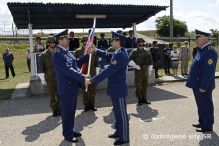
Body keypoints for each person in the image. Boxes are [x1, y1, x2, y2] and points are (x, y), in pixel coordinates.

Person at [85, 31, 129, 145]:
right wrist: (96, 50)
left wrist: (93, 80)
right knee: (117, 113)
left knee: (122, 114)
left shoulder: (121, 55)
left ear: (118, 41)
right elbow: (108, 55)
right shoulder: (118, 52)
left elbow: (108, 71)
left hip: (118, 89)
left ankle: (124, 137)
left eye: (113, 40)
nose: (111, 41)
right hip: (116, 88)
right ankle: (119, 132)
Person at [52, 35, 90, 143]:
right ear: (60, 40)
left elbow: (76, 63)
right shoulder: (58, 54)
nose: (69, 40)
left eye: (68, 39)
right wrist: (82, 77)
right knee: (66, 112)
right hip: (66, 88)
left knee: (71, 111)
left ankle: (71, 130)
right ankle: (67, 134)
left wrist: (87, 55)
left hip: (72, 87)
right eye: (66, 39)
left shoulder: (67, 52)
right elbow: (68, 69)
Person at [186, 30, 218, 133]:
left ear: (205, 39)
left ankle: (207, 126)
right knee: (201, 104)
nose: (195, 41)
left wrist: (204, 86)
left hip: (203, 85)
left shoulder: (209, 51)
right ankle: (202, 122)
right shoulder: (201, 50)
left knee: (206, 105)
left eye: (197, 39)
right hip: (197, 84)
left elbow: (209, 72)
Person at [74, 36, 99, 112]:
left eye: (88, 42)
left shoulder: (93, 51)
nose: (86, 44)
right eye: (85, 42)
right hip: (83, 75)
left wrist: (97, 72)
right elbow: (75, 63)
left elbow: (96, 63)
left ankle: (92, 105)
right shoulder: (78, 51)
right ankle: (86, 105)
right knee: (85, 90)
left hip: (92, 74)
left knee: (92, 91)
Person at [40, 36, 60, 117]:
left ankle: (60, 109)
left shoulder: (58, 52)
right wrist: (43, 79)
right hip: (50, 78)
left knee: (59, 94)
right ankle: (55, 110)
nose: (52, 44)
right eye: (51, 42)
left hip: (59, 77)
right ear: (48, 43)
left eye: (54, 42)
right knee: (52, 95)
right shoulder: (43, 54)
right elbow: (41, 68)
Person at [129, 38, 153, 105]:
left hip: (145, 71)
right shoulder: (134, 51)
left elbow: (150, 61)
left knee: (145, 86)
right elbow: (129, 60)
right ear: (138, 43)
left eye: (142, 42)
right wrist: (135, 65)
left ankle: (144, 99)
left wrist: (150, 69)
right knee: (138, 86)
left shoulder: (147, 51)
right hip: (138, 72)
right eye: (140, 42)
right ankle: (139, 99)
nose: (142, 43)